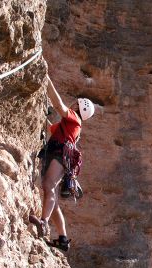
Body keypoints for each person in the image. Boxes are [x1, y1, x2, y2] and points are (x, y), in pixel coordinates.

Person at [29, 75, 95, 251]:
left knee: (48, 186)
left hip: (58, 154)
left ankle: (43, 223)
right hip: (58, 154)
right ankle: (62, 238)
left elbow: (59, 104)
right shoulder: (71, 126)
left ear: (79, 108)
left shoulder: (74, 118)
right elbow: (51, 127)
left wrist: (46, 78)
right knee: (53, 199)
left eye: (75, 103)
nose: (72, 104)